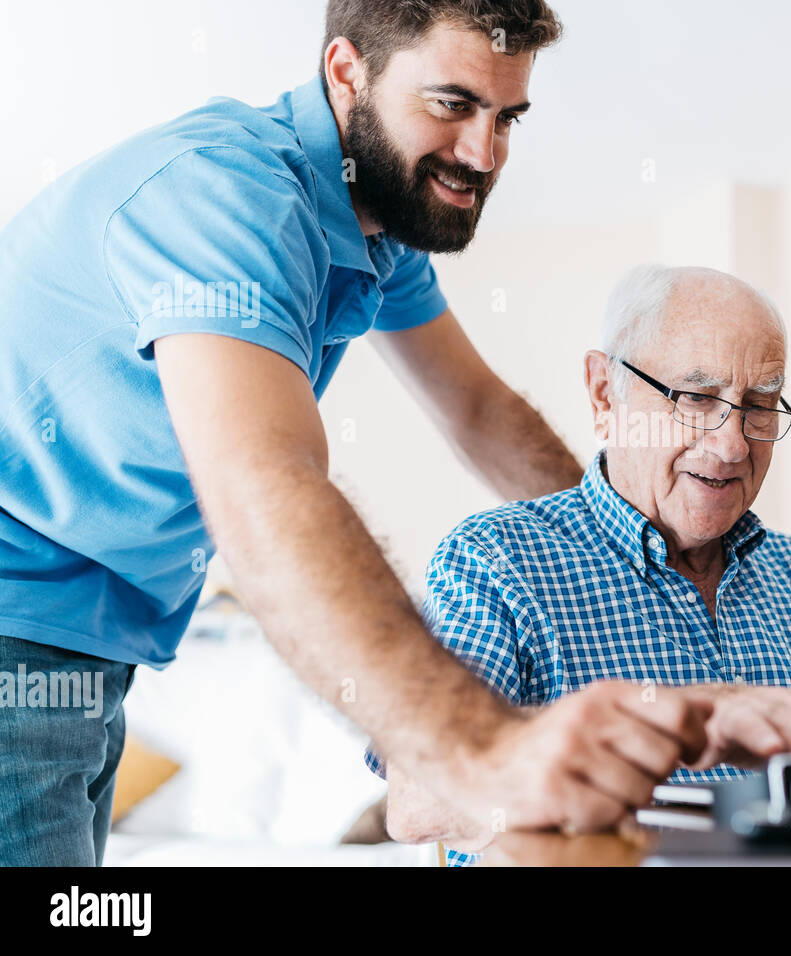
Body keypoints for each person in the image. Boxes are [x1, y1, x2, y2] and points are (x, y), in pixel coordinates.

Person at [0, 0, 711, 866]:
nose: (483, 155)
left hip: (88, 645)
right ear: (347, 72)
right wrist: (480, 747)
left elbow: (478, 410)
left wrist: (644, 567)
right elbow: (267, 487)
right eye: (452, 104)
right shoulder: (227, 196)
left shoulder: (380, 225)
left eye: (507, 117)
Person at [376, 264, 791, 863]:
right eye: (695, 398)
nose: (732, 445)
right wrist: (690, 723)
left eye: (759, 405)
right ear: (604, 393)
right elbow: (418, 801)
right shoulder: (495, 560)